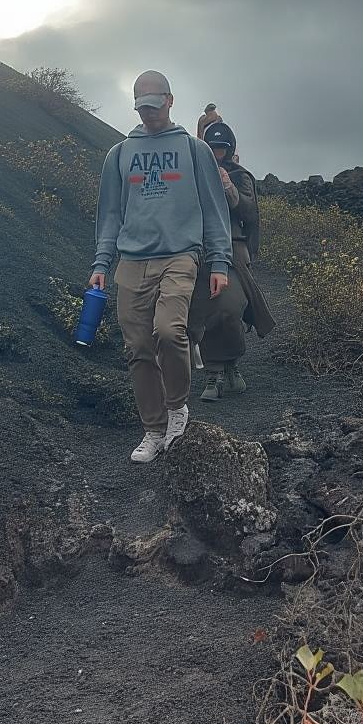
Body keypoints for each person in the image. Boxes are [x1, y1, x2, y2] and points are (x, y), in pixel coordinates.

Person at [89, 71, 232, 463]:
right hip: (131, 260)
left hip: (179, 255)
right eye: (141, 108)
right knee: (137, 347)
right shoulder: (119, 154)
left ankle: (176, 408)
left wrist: (219, 261)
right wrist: (101, 262)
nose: (148, 114)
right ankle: (152, 429)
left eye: (154, 106)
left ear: (169, 101)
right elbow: (110, 215)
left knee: (169, 332)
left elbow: (214, 210)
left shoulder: (193, 149)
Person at [189, 121, 276, 401]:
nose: (216, 153)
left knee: (229, 306)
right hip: (198, 249)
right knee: (203, 308)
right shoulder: (194, 173)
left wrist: (228, 187)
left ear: (230, 149)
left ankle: (229, 365)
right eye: (212, 148)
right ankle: (215, 372)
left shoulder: (240, 176)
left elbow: (250, 214)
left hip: (232, 251)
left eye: (221, 148)